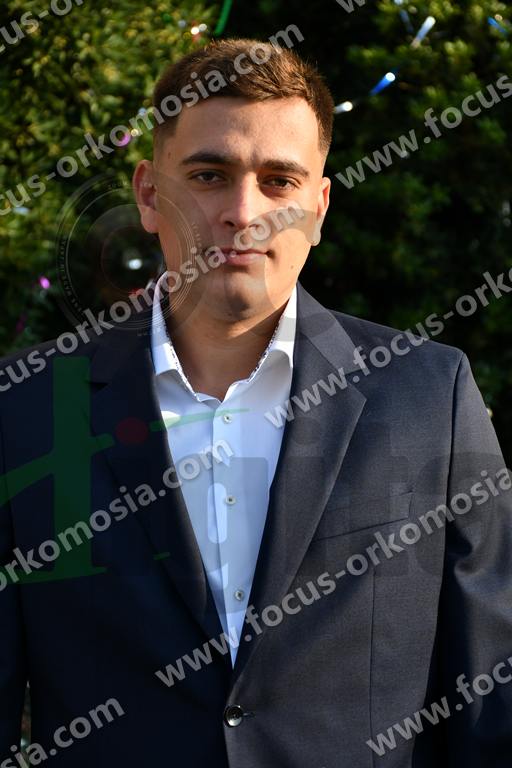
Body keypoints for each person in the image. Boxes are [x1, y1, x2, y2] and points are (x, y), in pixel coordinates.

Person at [1, 37, 511, 768]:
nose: (244, 213)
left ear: (319, 207)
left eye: (279, 181)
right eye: (209, 175)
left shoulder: (430, 395)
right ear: (148, 194)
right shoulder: (28, 408)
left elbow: (491, 700)